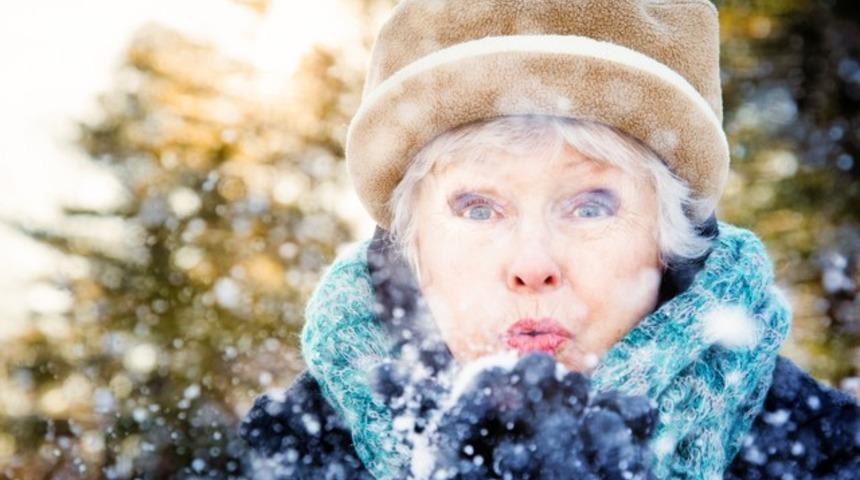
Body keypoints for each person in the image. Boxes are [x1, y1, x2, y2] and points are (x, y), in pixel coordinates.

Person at [239, 1, 860, 479]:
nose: (532, 265)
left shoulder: (827, 453)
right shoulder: (285, 451)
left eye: (591, 206)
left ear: (667, 237)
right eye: (478, 207)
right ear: (412, 244)